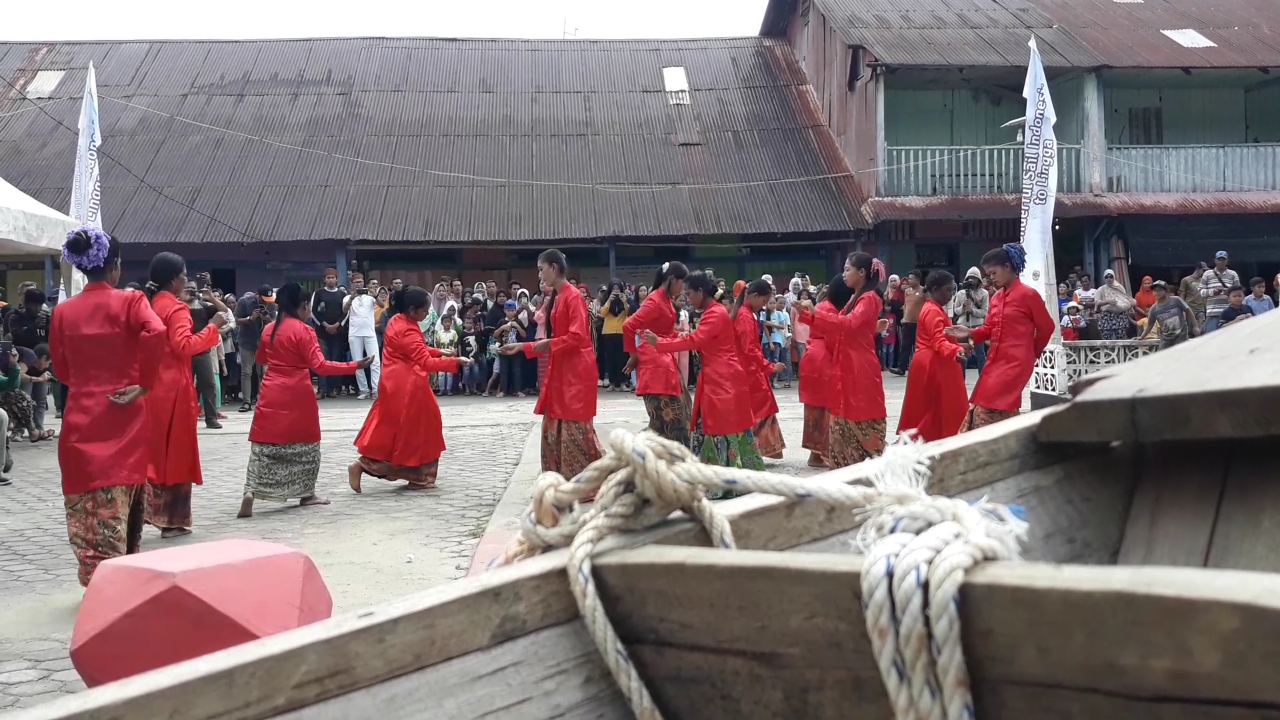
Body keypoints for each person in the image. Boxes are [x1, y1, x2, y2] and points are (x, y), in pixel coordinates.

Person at [51, 227, 166, 585]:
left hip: (82, 414)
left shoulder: (63, 312)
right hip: (124, 412)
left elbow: (62, 369)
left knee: (88, 502)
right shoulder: (131, 302)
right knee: (123, 498)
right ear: (114, 266)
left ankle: (98, 580)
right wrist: (143, 383)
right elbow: (157, 332)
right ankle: (121, 580)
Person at [239, 283, 370, 517]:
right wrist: (355, 365)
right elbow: (320, 366)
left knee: (265, 444)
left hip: (271, 389)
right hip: (297, 391)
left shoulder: (269, 329)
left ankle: (251, 490)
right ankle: (306, 494)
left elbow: (261, 357)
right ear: (303, 306)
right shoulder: (304, 330)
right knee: (306, 445)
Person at [644, 271, 760, 492]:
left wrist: (660, 343)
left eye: (689, 293)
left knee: (718, 427)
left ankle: (722, 482)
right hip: (720, 376)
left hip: (721, 378)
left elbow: (695, 339)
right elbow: (695, 339)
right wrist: (667, 340)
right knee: (716, 427)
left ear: (700, 291)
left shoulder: (714, 314)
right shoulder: (713, 312)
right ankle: (726, 479)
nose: (687, 298)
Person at [498, 250, 604, 491]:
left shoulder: (573, 296)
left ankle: (589, 484)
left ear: (554, 268)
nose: (539, 274)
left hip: (575, 370)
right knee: (553, 425)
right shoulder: (557, 296)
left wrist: (543, 344)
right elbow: (555, 338)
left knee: (575, 428)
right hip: (563, 367)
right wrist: (524, 346)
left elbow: (577, 336)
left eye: (541, 268)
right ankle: (561, 482)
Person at [350, 286, 471, 491]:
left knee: (394, 431)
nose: (426, 314)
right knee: (421, 429)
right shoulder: (407, 327)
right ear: (413, 310)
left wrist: (438, 351)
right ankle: (417, 475)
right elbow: (423, 361)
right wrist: (455, 362)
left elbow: (415, 349)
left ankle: (369, 464)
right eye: (424, 310)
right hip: (408, 385)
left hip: (395, 382)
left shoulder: (398, 321)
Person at [143, 252, 229, 538]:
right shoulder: (176, 309)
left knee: (155, 452)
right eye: (183, 275)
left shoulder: (150, 304)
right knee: (177, 453)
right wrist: (213, 327)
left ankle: (147, 512)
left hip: (151, 387)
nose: (185, 280)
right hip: (174, 389)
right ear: (173, 280)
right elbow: (184, 346)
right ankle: (171, 519)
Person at [945, 244, 1056, 432]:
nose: (991, 277)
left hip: (1015, 362)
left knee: (989, 406)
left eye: (993, 272)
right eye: (988, 274)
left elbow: (1047, 327)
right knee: (990, 405)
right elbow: (990, 328)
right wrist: (970, 332)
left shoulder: (1028, 295)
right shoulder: (996, 297)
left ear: (1007, 266)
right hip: (995, 360)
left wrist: (1031, 354)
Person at [797, 253, 888, 467]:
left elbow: (847, 325)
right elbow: (841, 326)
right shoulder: (857, 298)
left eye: (848, 269)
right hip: (848, 362)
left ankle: (861, 461)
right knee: (842, 412)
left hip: (858, 365)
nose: (844, 274)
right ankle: (846, 462)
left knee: (858, 411)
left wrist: (815, 315)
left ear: (862, 272)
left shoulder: (868, 298)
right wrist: (809, 315)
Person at [623, 261, 691, 446]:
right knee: (671, 423)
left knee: (675, 419)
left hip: (665, 362)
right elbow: (629, 325)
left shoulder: (666, 299)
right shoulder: (654, 301)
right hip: (656, 365)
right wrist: (634, 355)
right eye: (681, 282)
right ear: (672, 279)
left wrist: (680, 334)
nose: (683, 288)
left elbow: (663, 332)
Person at [897, 271, 969, 443]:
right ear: (935, 289)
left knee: (932, 409)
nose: (951, 295)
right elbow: (937, 340)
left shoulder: (932, 308)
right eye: (948, 290)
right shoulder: (932, 311)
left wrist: (957, 346)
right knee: (937, 410)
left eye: (952, 290)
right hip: (934, 364)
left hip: (932, 362)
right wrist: (955, 350)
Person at [798, 275, 852, 468]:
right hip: (824, 360)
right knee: (829, 408)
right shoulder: (831, 310)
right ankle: (829, 454)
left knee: (816, 409)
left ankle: (815, 455)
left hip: (812, 358)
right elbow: (834, 338)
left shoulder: (822, 305)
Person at [730, 279, 787, 460]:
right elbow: (750, 349)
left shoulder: (743, 313)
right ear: (754, 296)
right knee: (759, 409)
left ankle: (758, 449)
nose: (764, 306)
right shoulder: (745, 316)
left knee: (758, 408)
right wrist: (769, 367)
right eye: (764, 301)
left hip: (747, 368)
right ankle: (755, 449)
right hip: (748, 370)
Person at [183, 279, 222, 429]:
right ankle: (187, 417)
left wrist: (211, 297)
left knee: (209, 384)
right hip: (185, 350)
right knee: (186, 387)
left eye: (193, 288)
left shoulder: (203, 305)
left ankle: (211, 418)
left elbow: (224, 311)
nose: (191, 290)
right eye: (187, 288)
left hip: (202, 350)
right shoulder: (178, 306)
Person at [234, 284, 277, 411]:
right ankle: (246, 402)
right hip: (247, 340)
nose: (265, 302)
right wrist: (250, 318)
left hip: (263, 341)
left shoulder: (271, 304)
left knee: (263, 372)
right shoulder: (244, 301)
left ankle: (262, 399)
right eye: (263, 299)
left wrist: (267, 318)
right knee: (246, 372)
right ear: (257, 295)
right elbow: (236, 320)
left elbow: (275, 322)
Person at [343, 272, 382, 400]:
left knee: (375, 362)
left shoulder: (370, 297)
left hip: (370, 333)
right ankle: (363, 390)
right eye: (356, 282)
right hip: (355, 334)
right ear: (352, 284)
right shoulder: (347, 297)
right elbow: (344, 310)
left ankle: (375, 389)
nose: (358, 284)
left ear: (363, 283)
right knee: (357, 362)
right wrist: (351, 298)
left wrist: (375, 294)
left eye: (360, 282)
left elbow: (382, 305)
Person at [311, 269, 349, 398]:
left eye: (333, 277)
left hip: (338, 333)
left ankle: (332, 389)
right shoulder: (318, 293)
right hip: (322, 332)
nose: (331, 280)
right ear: (324, 280)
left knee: (335, 360)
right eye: (328, 278)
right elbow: (313, 311)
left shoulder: (342, 294)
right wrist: (325, 325)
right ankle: (322, 389)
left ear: (337, 279)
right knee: (322, 360)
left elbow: (346, 312)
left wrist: (337, 325)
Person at [949, 267, 990, 371]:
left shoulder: (984, 293)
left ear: (978, 280)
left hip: (977, 326)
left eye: (974, 278)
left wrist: (972, 310)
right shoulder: (960, 294)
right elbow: (956, 311)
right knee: (962, 353)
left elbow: (984, 312)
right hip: (962, 326)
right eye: (969, 278)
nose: (971, 280)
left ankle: (982, 379)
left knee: (980, 354)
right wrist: (963, 307)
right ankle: (961, 379)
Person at [1138, 281, 1197, 349]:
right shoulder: (1154, 309)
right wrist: (1142, 336)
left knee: (1181, 353)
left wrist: (1195, 326)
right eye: (1155, 291)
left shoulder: (1176, 300)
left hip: (1181, 334)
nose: (1157, 293)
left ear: (1167, 291)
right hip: (1166, 337)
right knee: (1163, 355)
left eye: (1160, 290)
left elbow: (1188, 311)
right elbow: (1150, 324)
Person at [890, 270, 924, 376]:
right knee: (905, 346)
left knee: (919, 347)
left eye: (911, 279)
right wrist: (904, 317)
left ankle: (921, 367)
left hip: (919, 323)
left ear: (918, 280)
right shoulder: (907, 291)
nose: (908, 281)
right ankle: (901, 368)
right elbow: (906, 305)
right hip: (907, 322)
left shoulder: (924, 291)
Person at [1199, 251, 1240, 334]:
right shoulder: (1207, 274)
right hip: (1212, 312)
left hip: (1229, 312)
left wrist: (1228, 293)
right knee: (1211, 338)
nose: (1221, 262)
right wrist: (1213, 292)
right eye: (1219, 260)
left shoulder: (1233, 274)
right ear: (1215, 260)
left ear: (1227, 261)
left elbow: (1238, 291)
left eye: (1223, 260)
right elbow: (1201, 291)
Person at [599, 279, 629, 391]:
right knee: (610, 358)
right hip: (608, 332)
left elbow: (628, 312)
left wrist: (625, 302)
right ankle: (612, 383)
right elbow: (602, 313)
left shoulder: (625, 299)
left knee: (622, 358)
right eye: (613, 289)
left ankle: (622, 383)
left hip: (621, 331)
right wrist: (609, 301)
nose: (616, 291)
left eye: (618, 289)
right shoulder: (606, 300)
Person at [1094, 269, 1134, 340]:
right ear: (1104, 278)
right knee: (1106, 338)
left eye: (1111, 277)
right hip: (1106, 316)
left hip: (1120, 316)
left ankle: (1121, 351)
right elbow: (1096, 302)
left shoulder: (1120, 288)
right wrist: (1107, 301)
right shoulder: (1101, 289)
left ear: (1114, 277)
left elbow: (1125, 299)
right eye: (1107, 277)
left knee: (1121, 338)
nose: (1109, 279)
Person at [1179, 263, 1208, 328]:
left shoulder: (1203, 281)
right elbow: (1182, 294)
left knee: (1201, 328)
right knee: (1190, 327)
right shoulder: (1186, 280)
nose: (1204, 273)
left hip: (1201, 308)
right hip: (1189, 307)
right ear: (1197, 269)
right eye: (1203, 270)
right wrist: (1182, 308)